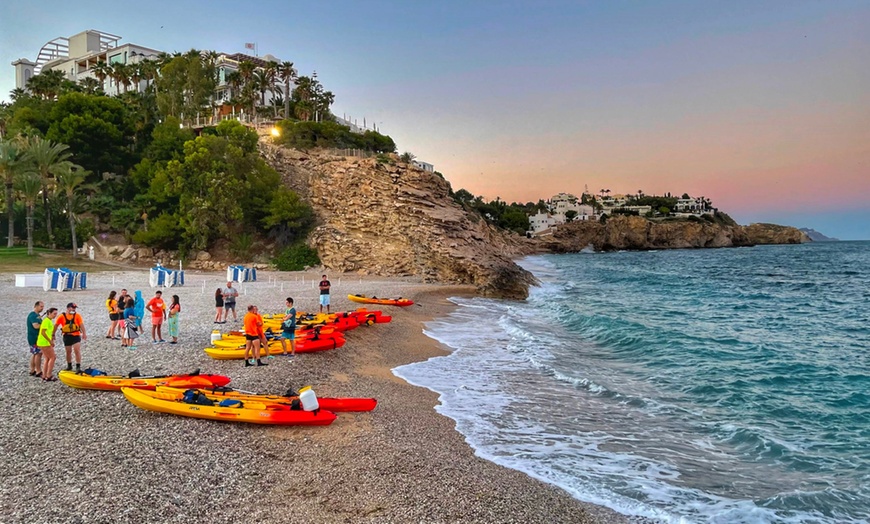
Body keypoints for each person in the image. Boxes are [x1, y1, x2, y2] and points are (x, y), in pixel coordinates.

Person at [54, 302, 86, 372]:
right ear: (68, 308)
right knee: (68, 351)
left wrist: (84, 333)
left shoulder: (77, 316)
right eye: (73, 308)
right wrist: (53, 334)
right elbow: (56, 325)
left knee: (77, 350)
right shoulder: (61, 316)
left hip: (76, 335)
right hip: (67, 336)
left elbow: (81, 324)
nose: (74, 309)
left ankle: (78, 366)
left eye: (75, 308)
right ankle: (69, 366)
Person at [39, 307, 59, 381]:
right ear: (49, 313)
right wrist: (50, 341)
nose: (55, 315)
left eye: (56, 314)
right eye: (54, 314)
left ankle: (44, 375)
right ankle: (49, 375)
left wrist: (52, 338)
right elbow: (43, 332)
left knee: (47, 358)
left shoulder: (48, 321)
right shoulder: (46, 321)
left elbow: (47, 332)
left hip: (42, 342)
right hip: (45, 343)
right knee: (53, 357)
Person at [27, 301, 45, 377]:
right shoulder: (33, 315)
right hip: (34, 338)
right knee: (38, 354)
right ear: (36, 306)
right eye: (41, 306)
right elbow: (36, 326)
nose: (42, 308)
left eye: (43, 307)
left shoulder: (37, 315)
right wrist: (44, 325)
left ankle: (32, 370)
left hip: (33, 337)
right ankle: (38, 370)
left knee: (34, 354)